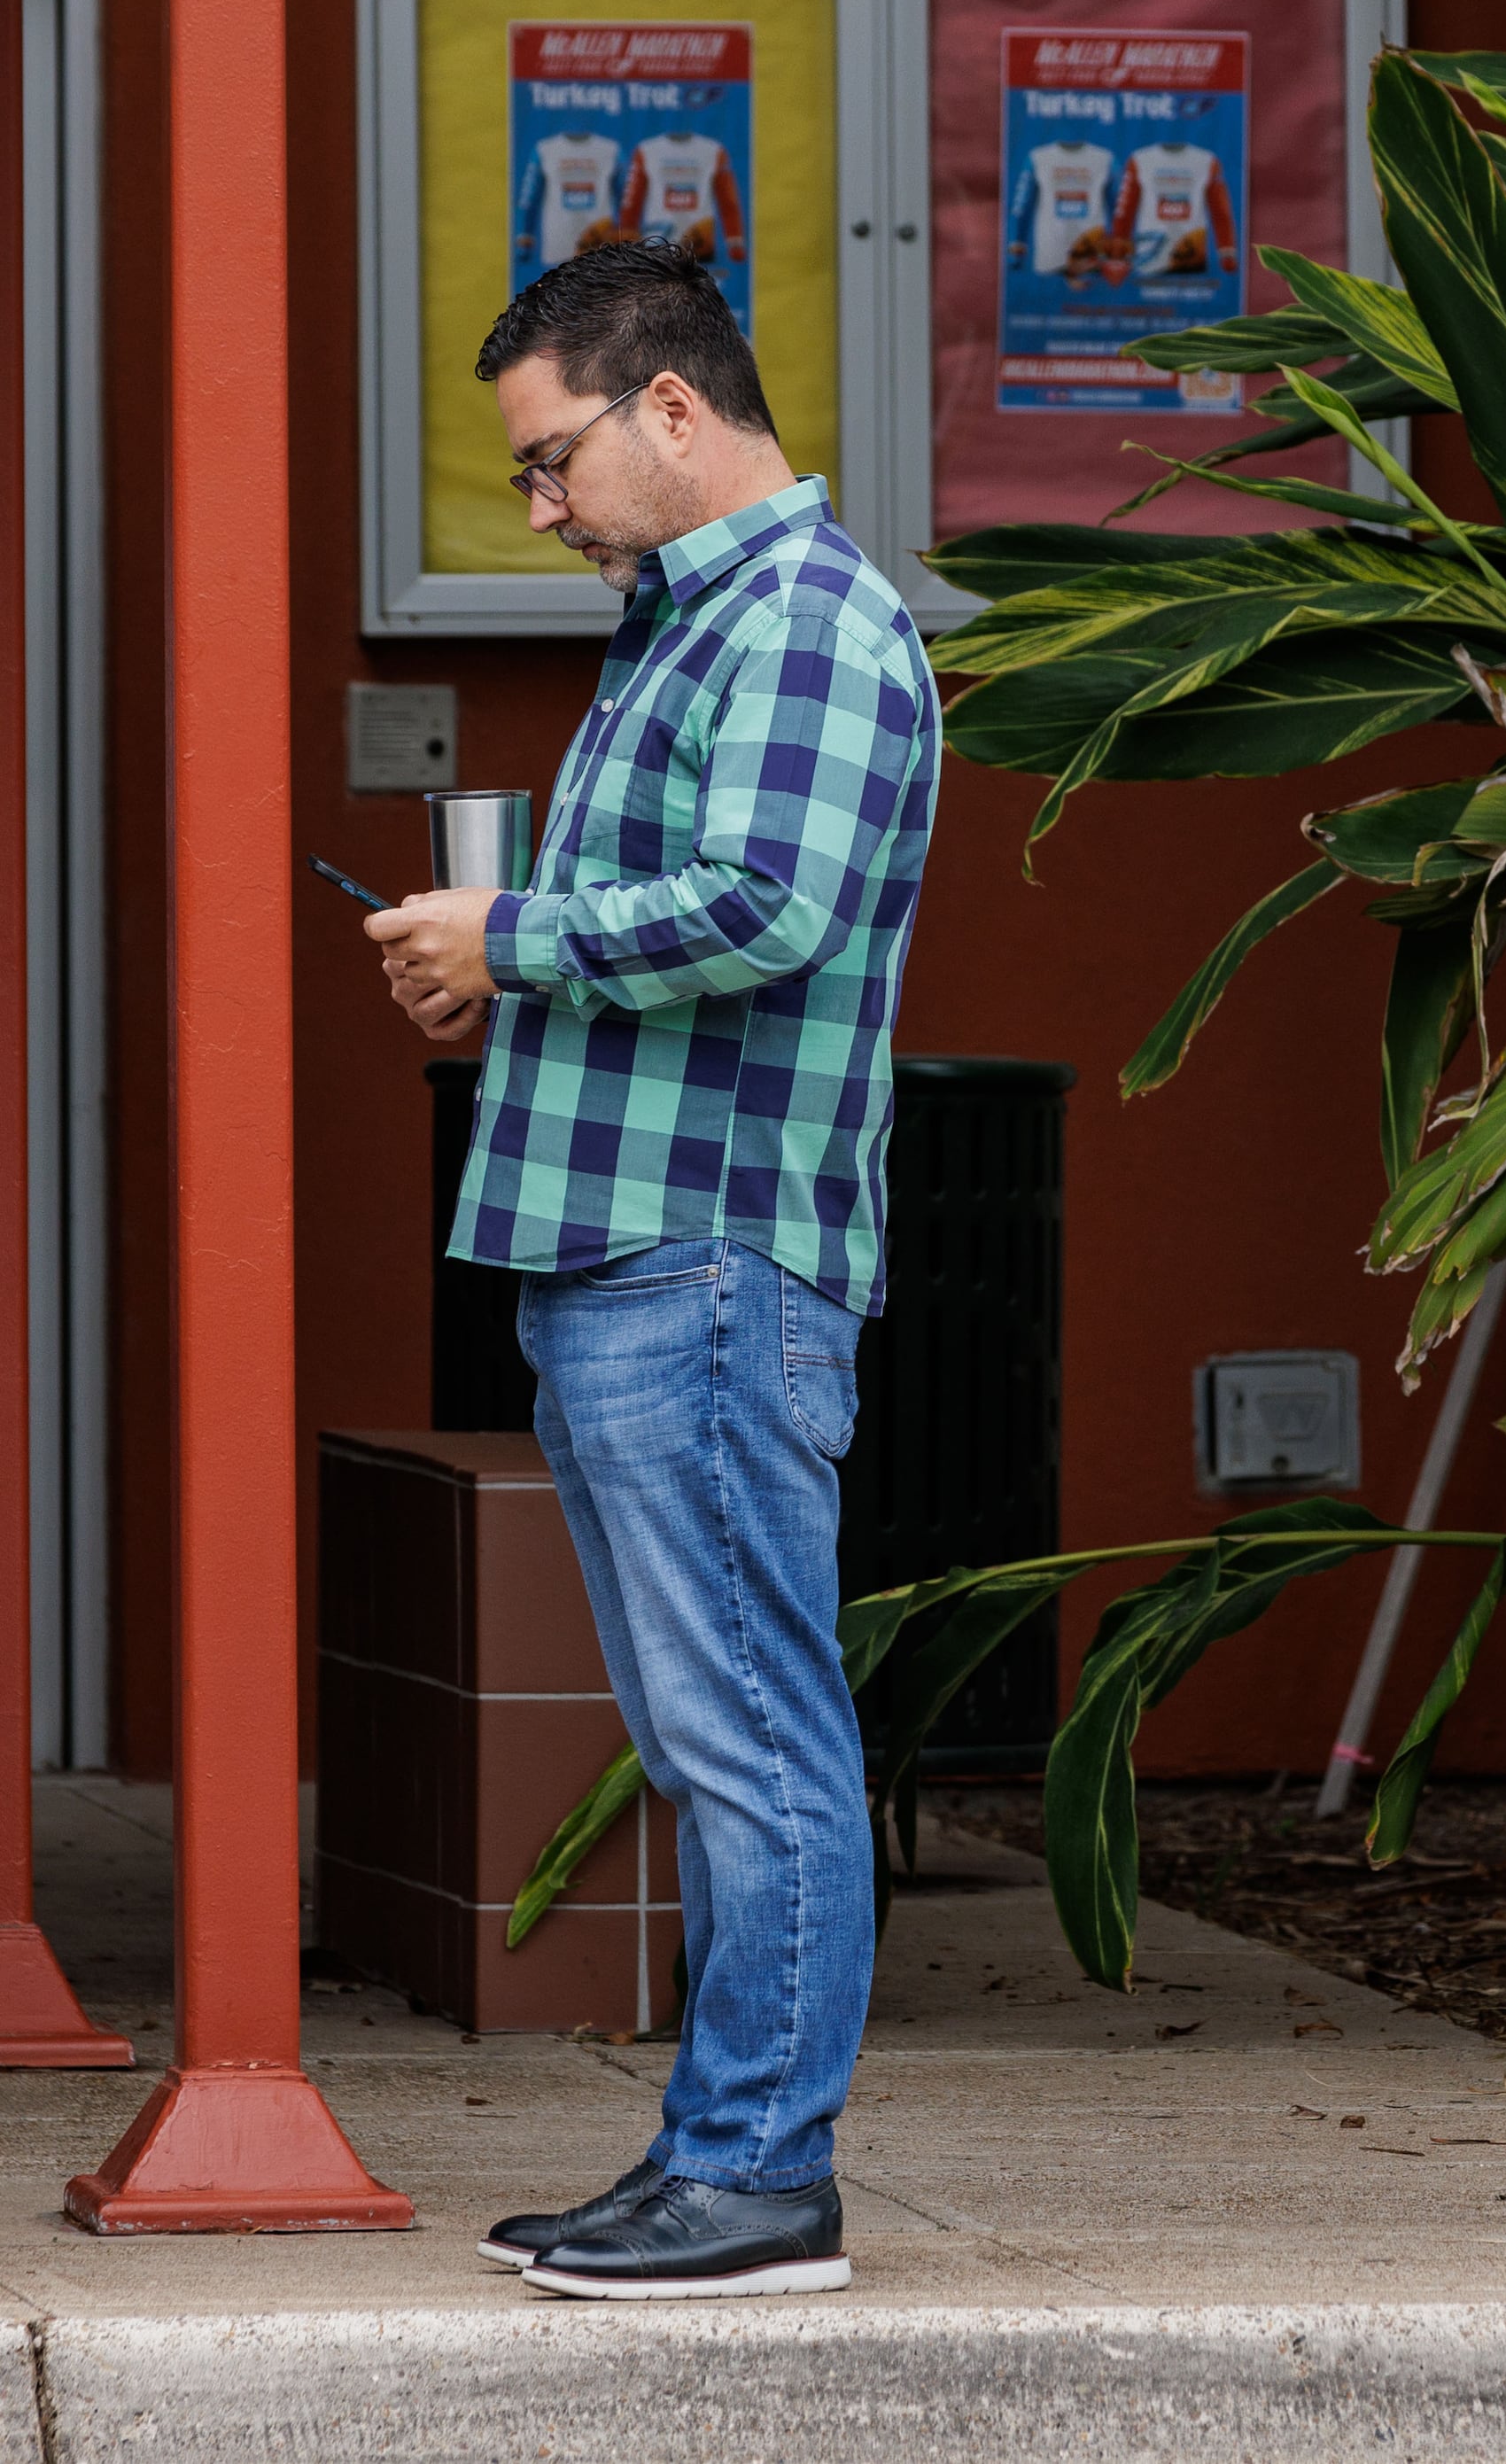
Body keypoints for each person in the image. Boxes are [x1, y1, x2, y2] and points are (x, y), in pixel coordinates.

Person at [361, 240, 940, 2300]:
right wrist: (499, 963)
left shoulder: (800, 617)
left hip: (705, 1261)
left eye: (549, 460)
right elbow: (687, 921)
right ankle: (720, 2151)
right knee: (717, 1735)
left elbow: (771, 903)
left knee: (751, 1734)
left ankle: (763, 2177)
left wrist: (510, 942)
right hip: (644, 1250)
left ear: (670, 406)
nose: (538, 507)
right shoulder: (695, 619)